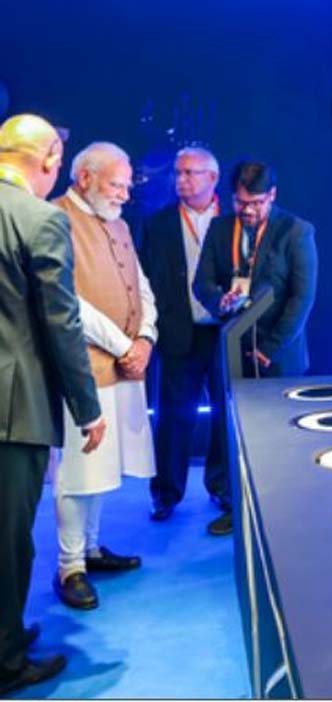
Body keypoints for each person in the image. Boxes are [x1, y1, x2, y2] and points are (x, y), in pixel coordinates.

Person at [0, 114, 107, 695]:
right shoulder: (40, 218)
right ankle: (7, 661)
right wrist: (88, 408)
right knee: (9, 539)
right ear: (48, 158)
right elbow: (62, 323)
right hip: (13, 412)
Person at [49, 142, 157, 610]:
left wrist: (146, 338)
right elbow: (68, 301)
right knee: (78, 471)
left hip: (124, 366)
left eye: (128, 186)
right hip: (84, 369)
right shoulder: (56, 220)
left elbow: (142, 286)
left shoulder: (118, 223)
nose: (125, 195)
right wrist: (124, 346)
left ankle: (90, 550)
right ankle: (70, 565)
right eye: (117, 184)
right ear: (86, 178)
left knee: (104, 466)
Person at [194, 160, 317, 535]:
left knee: (279, 433)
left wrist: (271, 347)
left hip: (278, 354)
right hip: (232, 348)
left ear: (272, 196)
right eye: (241, 202)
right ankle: (234, 504)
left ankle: (282, 508)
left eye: (256, 203)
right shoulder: (220, 229)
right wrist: (220, 301)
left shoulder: (296, 231)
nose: (247, 211)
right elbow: (202, 283)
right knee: (232, 431)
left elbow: (302, 298)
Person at [140, 147, 228, 523]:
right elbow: (144, 277)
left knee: (225, 415)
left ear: (213, 178)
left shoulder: (233, 219)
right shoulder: (158, 223)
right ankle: (166, 493)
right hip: (179, 331)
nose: (181, 180)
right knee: (173, 416)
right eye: (178, 173)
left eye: (191, 173)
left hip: (224, 333)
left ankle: (222, 487)